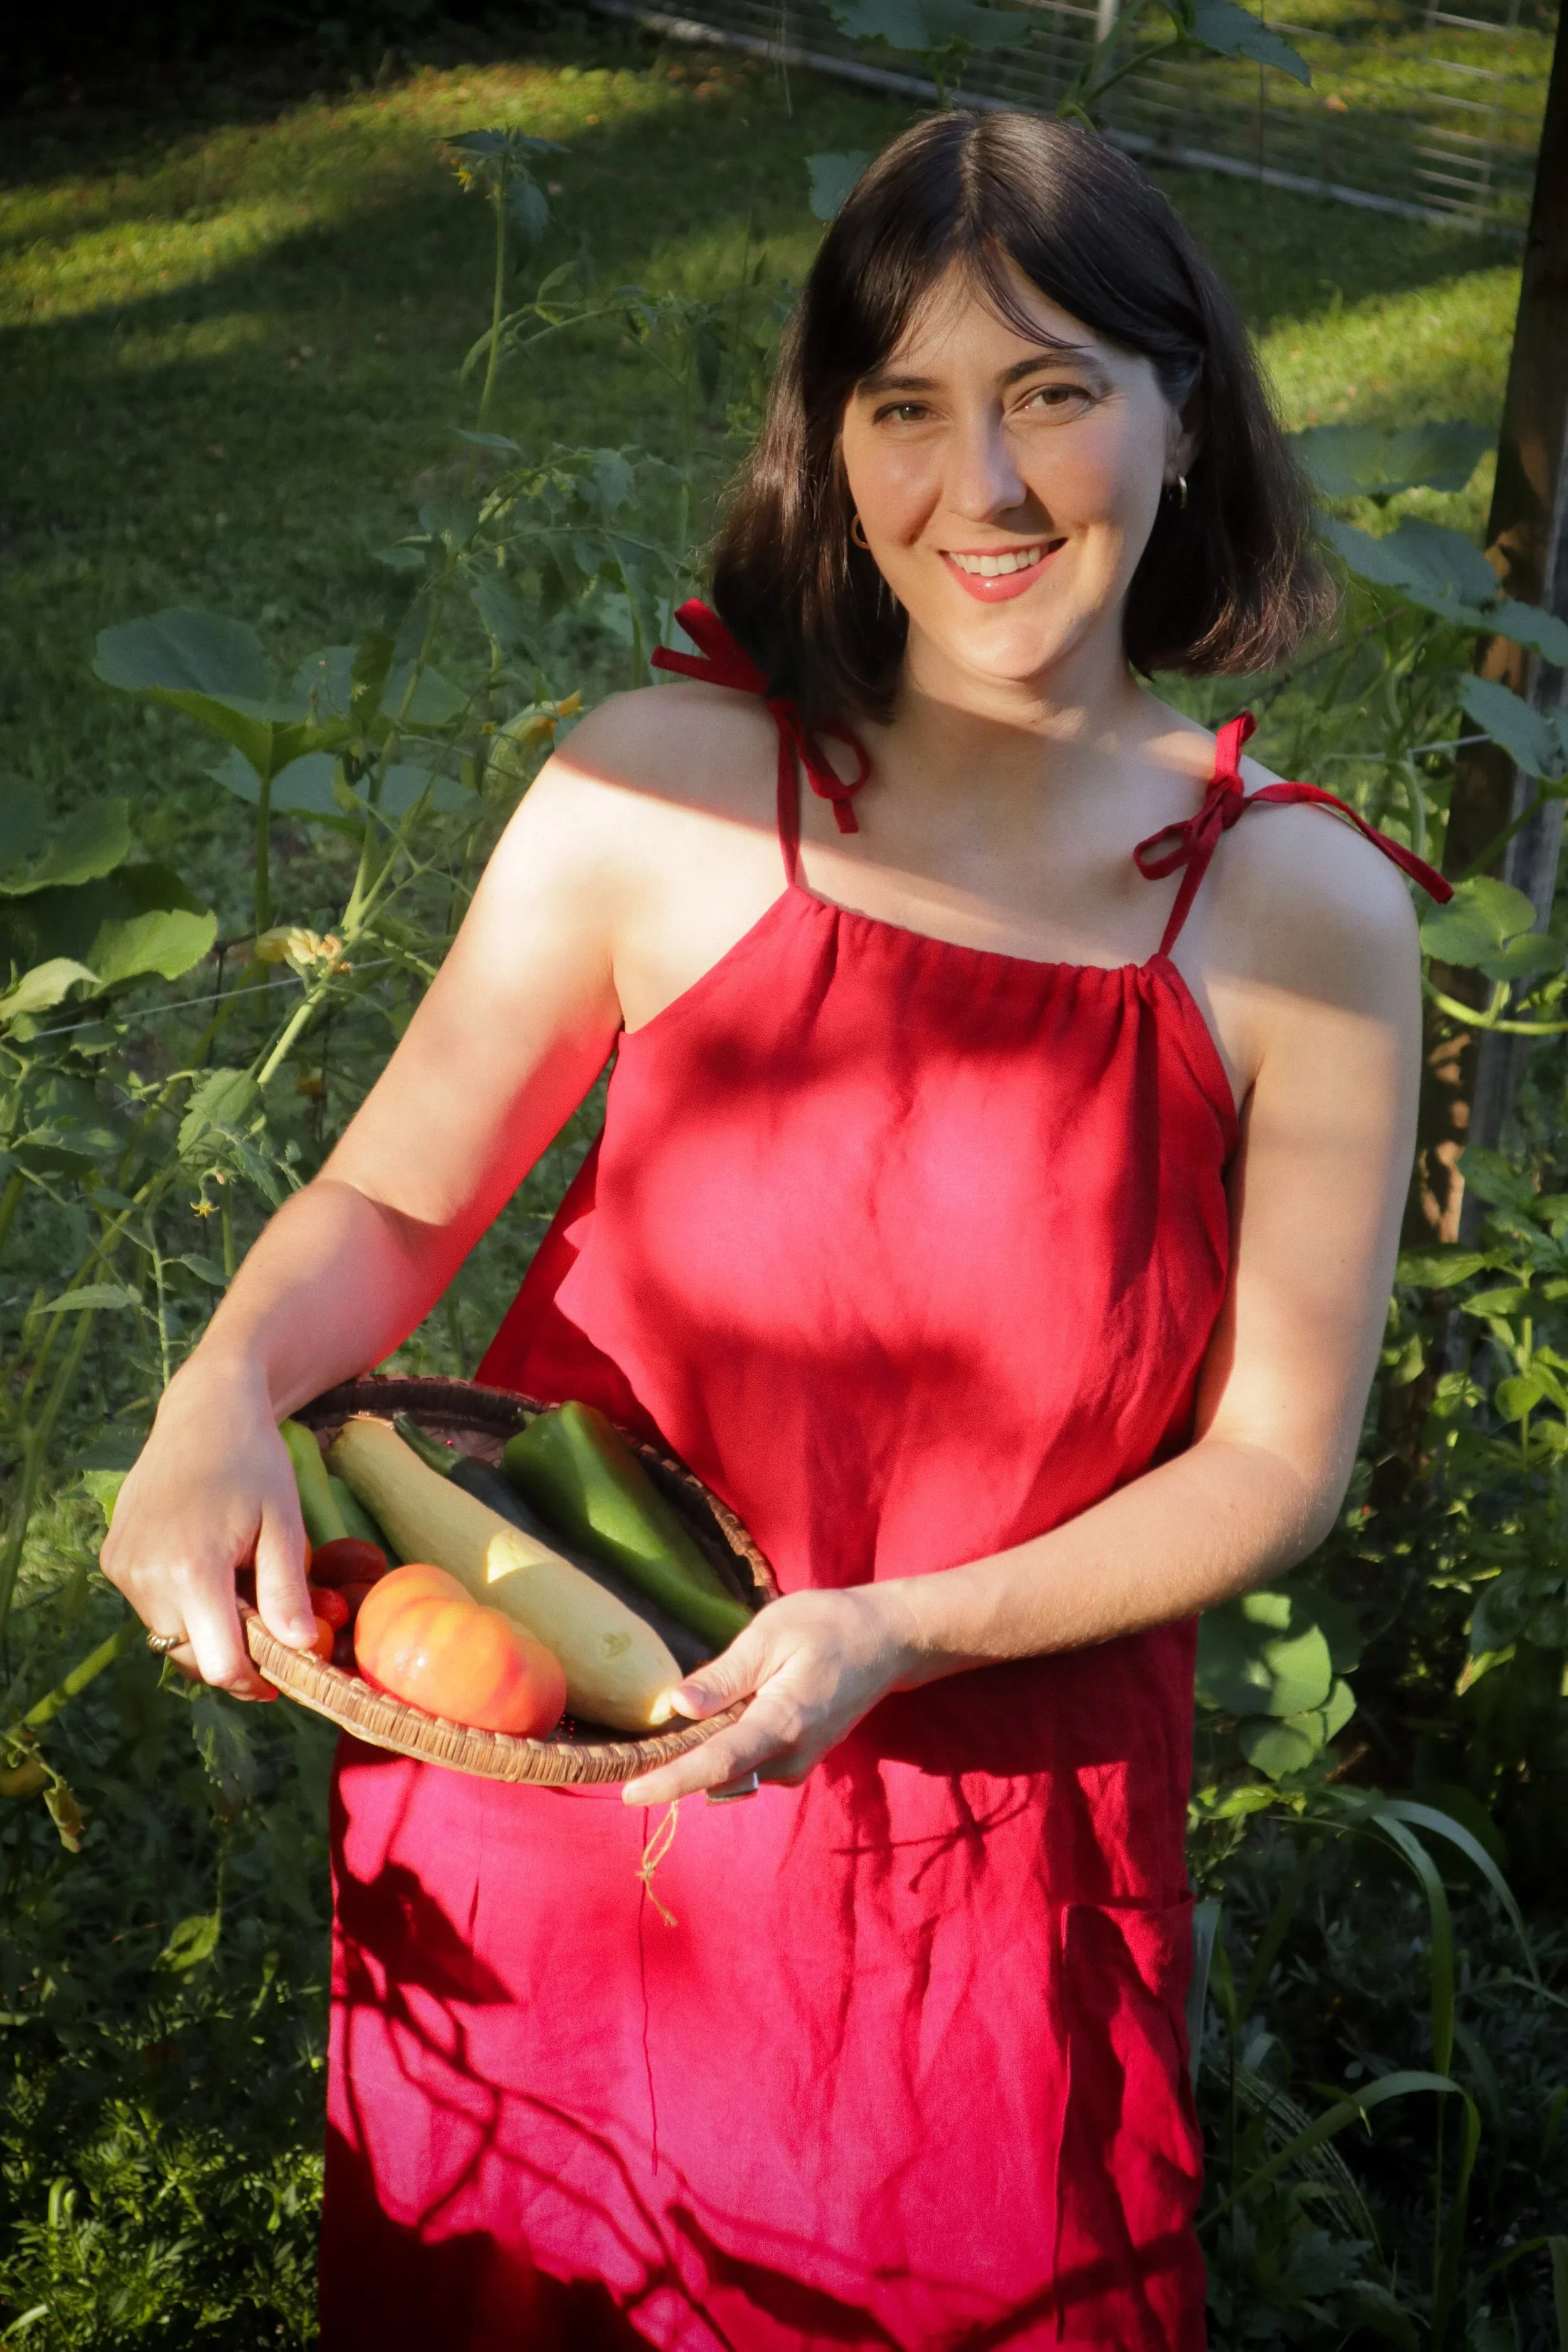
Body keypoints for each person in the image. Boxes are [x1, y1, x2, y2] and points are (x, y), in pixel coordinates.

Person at [102, 109, 1448, 2351]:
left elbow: (1269, 1462)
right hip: (560, 1793)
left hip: (963, 1877)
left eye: (1049, 393)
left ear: (1184, 405)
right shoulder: (661, 789)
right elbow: (397, 1190)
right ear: (830, 452)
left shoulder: (1292, 911)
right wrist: (212, 1391)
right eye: (902, 408)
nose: (982, 490)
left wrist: (898, 1628)